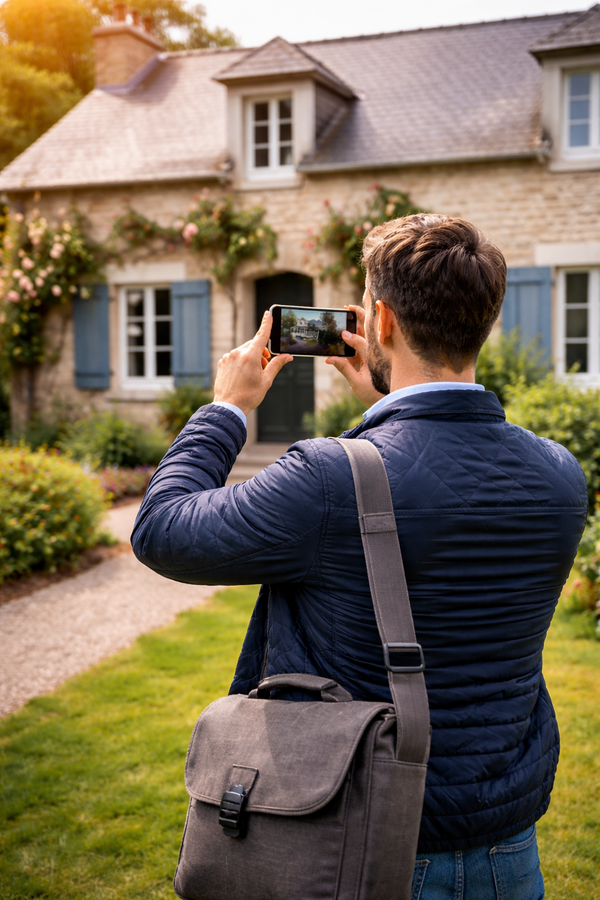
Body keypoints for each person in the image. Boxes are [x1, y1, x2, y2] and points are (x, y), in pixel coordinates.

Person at [131, 214, 587, 900]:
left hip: (366, 843)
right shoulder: (558, 473)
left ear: (381, 320)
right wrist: (387, 402)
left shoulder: (327, 478)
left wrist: (227, 409)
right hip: (508, 847)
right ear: (484, 320)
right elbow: (434, 491)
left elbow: (164, 529)